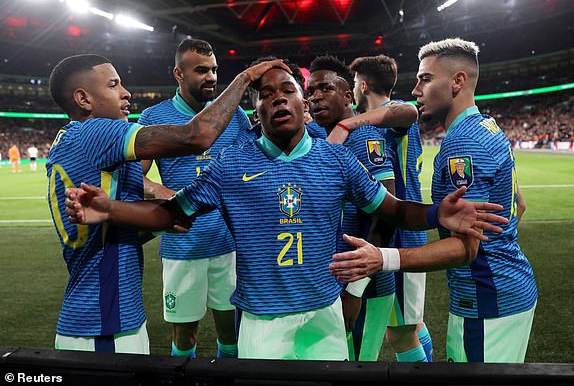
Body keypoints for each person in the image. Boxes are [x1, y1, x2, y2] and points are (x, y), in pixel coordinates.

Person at [64, 62, 508, 360]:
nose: (278, 98)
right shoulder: (231, 165)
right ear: (255, 111)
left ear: (303, 104)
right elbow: (169, 216)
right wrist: (111, 210)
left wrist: (437, 216)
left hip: (324, 316)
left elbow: (392, 210)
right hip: (261, 324)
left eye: (288, 90)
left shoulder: (335, 159)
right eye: (266, 94)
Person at [46, 53, 288, 354]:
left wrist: (174, 211)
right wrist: (245, 78)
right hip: (102, 323)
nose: (126, 93)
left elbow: (133, 227)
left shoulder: (69, 142)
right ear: (83, 98)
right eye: (113, 85)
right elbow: (196, 136)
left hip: (104, 317)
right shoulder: (93, 132)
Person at [409, 37, 537, 363]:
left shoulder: (460, 144)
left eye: (425, 79)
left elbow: (466, 248)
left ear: (458, 80)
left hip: (486, 302)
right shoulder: (488, 127)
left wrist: (384, 259)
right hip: (510, 288)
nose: (415, 90)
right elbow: (518, 204)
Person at [138, 38, 249, 359]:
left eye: (214, 70)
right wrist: (162, 192)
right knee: (185, 334)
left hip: (227, 244)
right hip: (181, 245)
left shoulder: (235, 116)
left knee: (231, 332)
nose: (211, 77)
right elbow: (135, 175)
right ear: (179, 74)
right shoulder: (154, 117)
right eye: (201, 70)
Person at [306, 54, 409, 361]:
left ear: (349, 95)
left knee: (357, 370)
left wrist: (355, 290)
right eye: (311, 91)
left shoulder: (362, 138)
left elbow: (388, 215)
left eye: (326, 88)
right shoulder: (324, 138)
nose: (316, 97)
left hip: (366, 286)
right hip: (338, 278)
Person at [348, 54, 432, 362]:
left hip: (398, 233)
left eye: (355, 84)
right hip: (407, 230)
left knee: (401, 331)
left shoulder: (382, 123)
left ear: (364, 85)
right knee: (409, 323)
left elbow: (408, 111)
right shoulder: (391, 119)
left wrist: (351, 121)